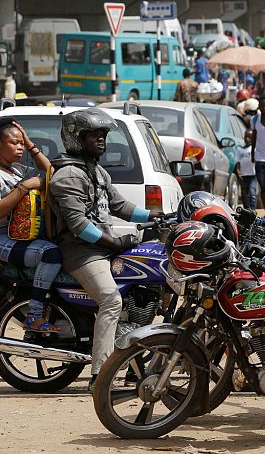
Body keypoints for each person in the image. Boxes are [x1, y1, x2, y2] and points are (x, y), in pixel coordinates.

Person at [48, 108, 160, 389]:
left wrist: (154, 216)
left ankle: (137, 361)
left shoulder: (96, 171)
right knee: (111, 301)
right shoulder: (69, 175)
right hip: (82, 253)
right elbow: (78, 225)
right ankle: (101, 375)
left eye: (103, 135)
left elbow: (120, 206)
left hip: (103, 249)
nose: (102, 141)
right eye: (94, 136)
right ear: (76, 138)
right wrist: (115, 242)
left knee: (149, 286)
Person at [0, 120, 61, 332]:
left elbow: (50, 171)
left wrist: (30, 144)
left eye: (21, 143)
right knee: (51, 254)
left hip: (21, 236)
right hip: (2, 239)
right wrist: (24, 187)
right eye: (14, 142)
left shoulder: (17, 170)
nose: (20, 147)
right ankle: (34, 316)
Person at [236, 129, 257, 210]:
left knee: (252, 192)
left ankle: (253, 210)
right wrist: (238, 171)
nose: (247, 139)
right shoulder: (239, 149)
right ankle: (247, 209)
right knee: (245, 194)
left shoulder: (254, 149)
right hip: (243, 175)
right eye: (246, 137)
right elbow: (238, 162)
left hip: (253, 174)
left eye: (250, 137)